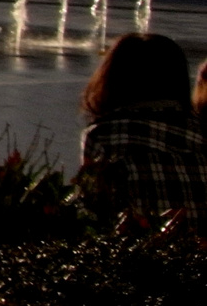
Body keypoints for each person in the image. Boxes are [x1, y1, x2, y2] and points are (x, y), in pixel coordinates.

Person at [78, 33, 207, 228]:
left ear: (114, 78)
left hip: (139, 252)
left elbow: (92, 213)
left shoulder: (103, 135)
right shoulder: (202, 132)